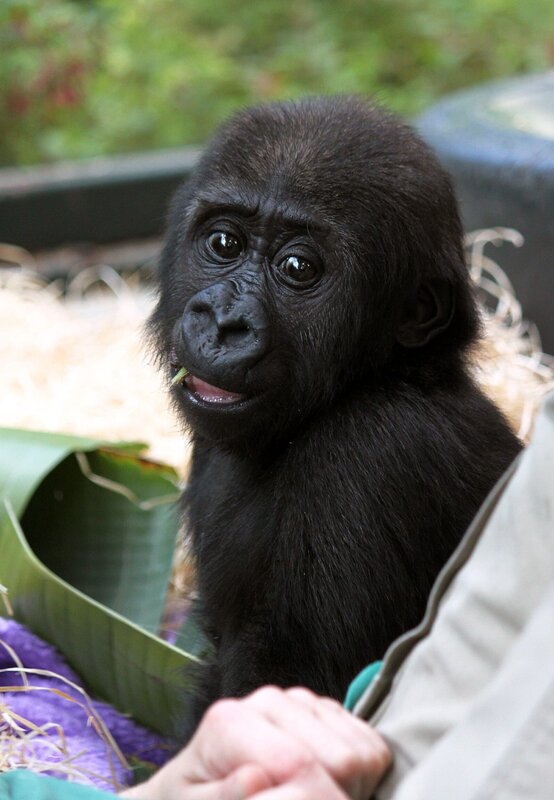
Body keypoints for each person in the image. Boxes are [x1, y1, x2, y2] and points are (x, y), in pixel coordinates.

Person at [2, 391, 553, 799]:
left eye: (297, 270)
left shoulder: (373, 455)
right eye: (221, 246)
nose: (223, 317)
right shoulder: (227, 430)